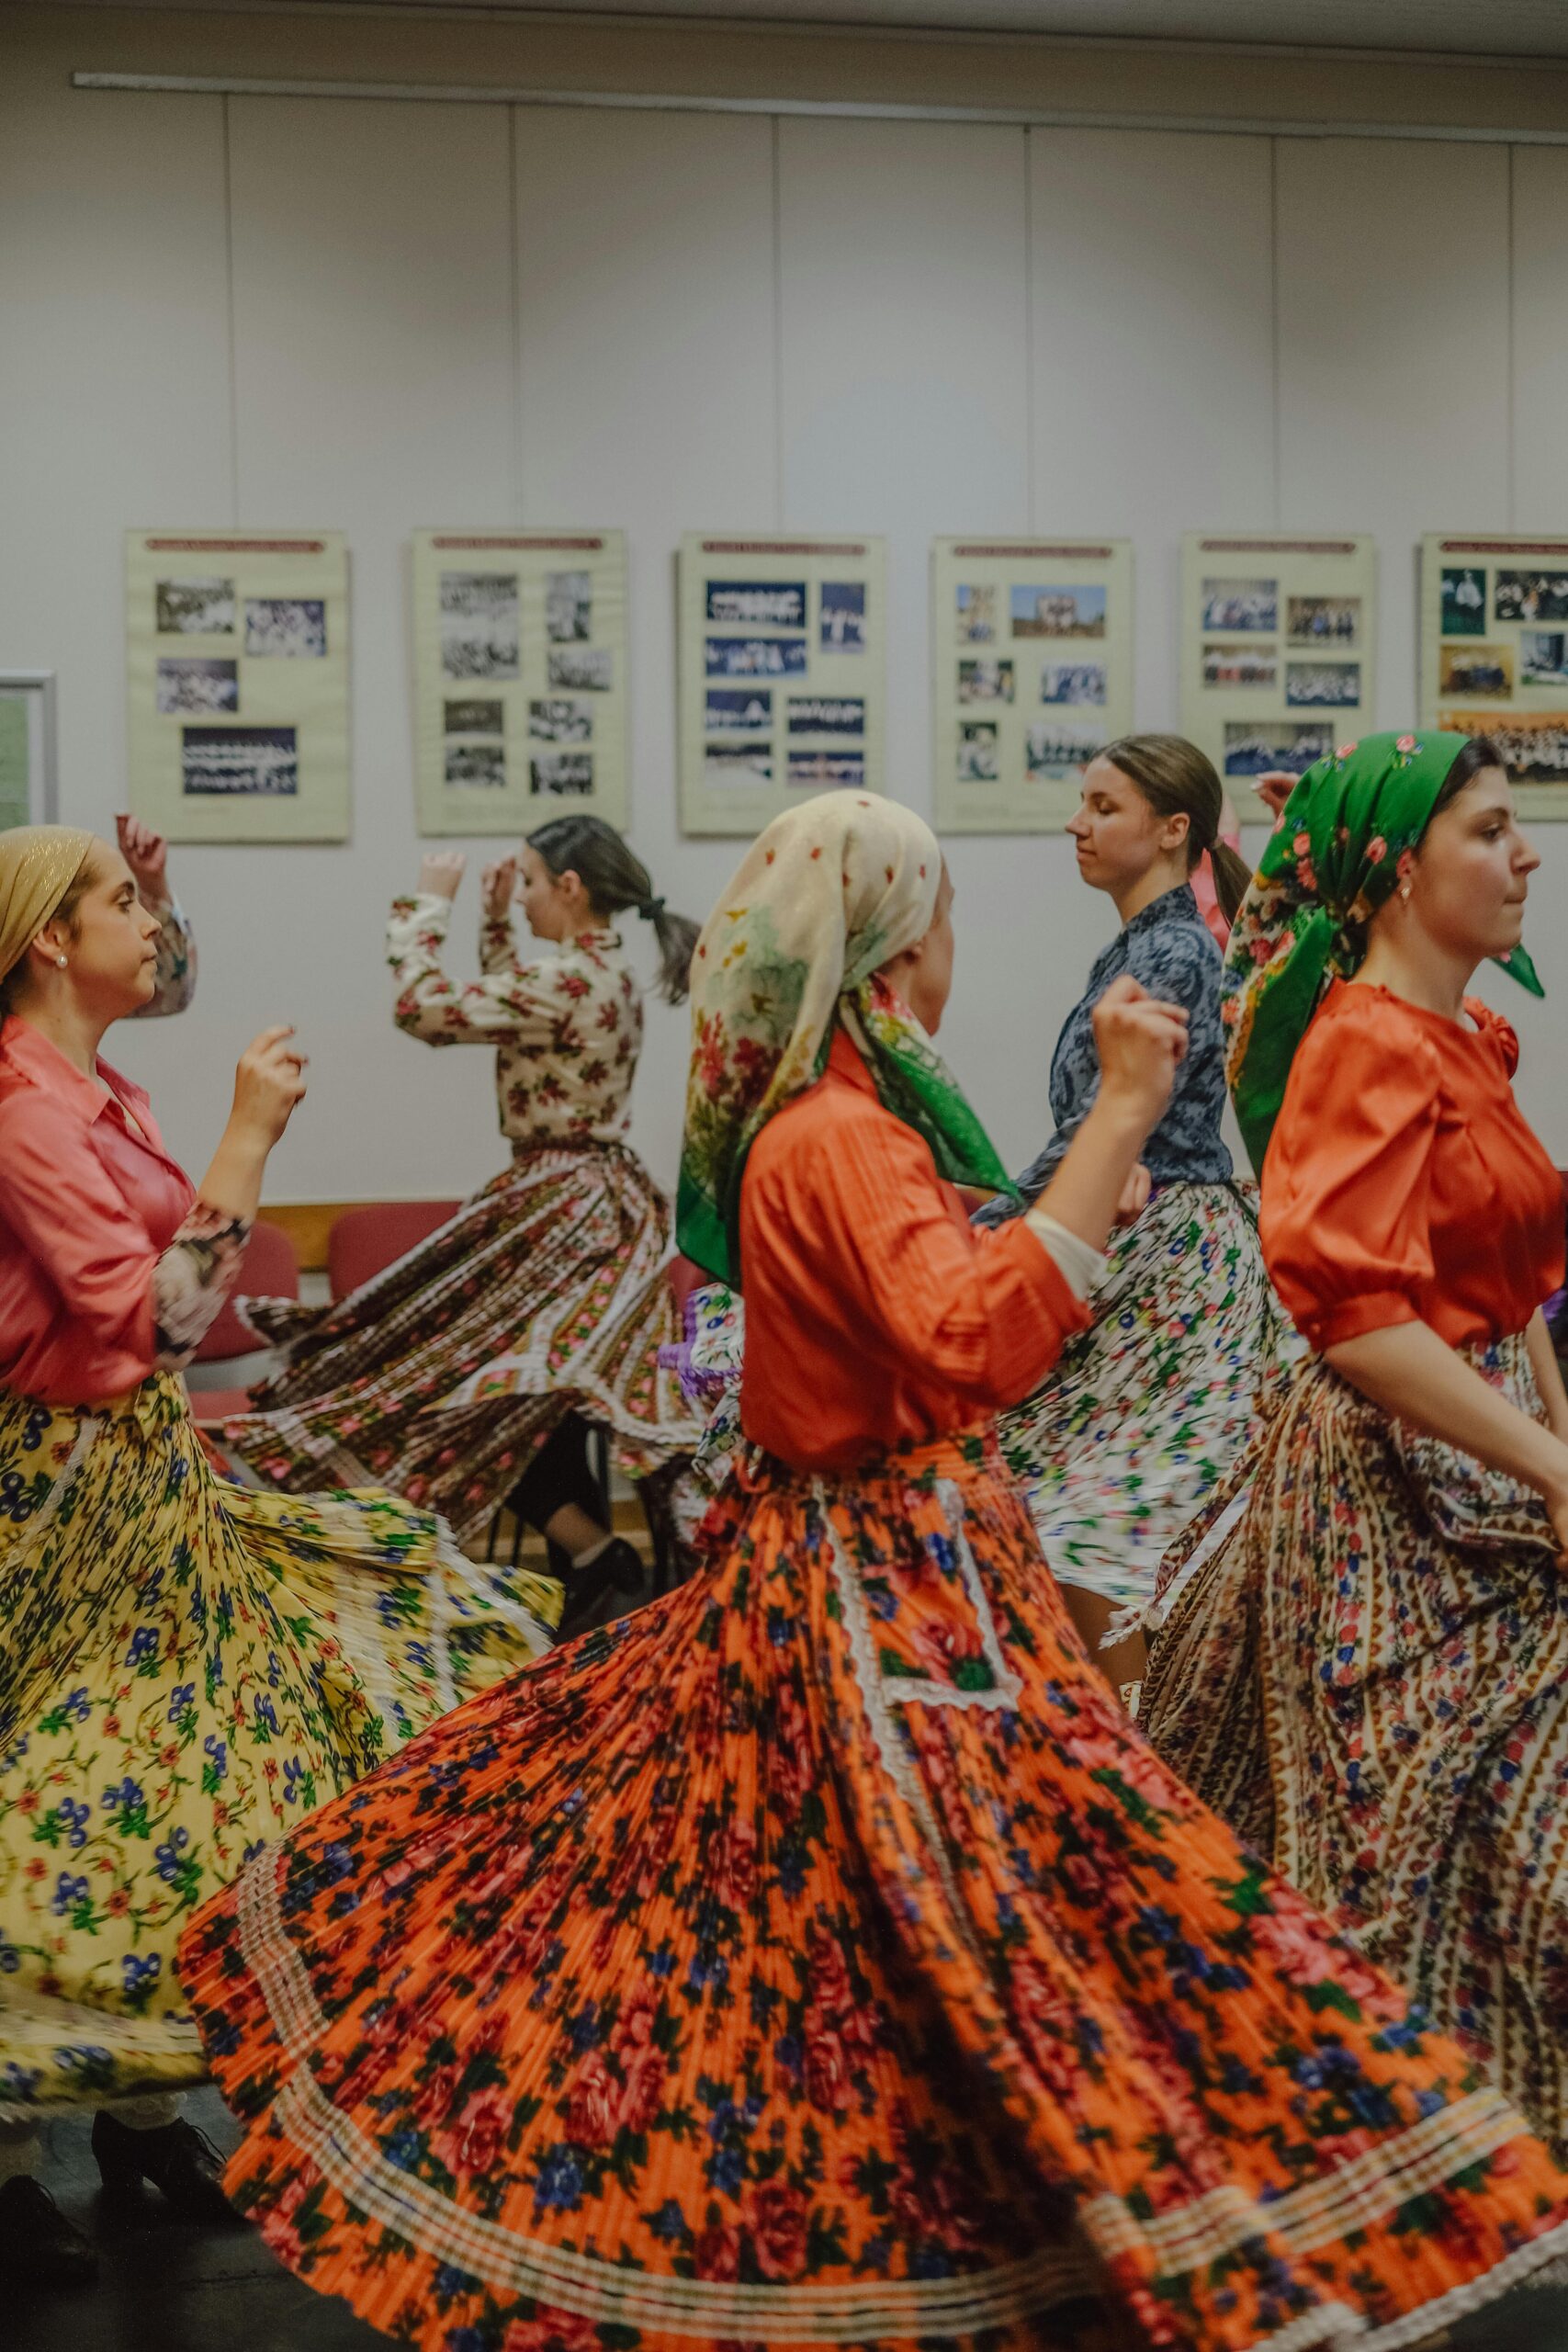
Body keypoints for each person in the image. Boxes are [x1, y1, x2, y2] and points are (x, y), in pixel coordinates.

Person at [179, 793, 1568, 2352]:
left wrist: (1058, 1197)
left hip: (878, 1569)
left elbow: (934, 1295)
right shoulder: (836, 1133)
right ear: (900, 947)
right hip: (886, 1589)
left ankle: (921, 2210)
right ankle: (1108, 2204)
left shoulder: (839, 1120)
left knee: (813, 1916)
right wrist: (1114, 1120)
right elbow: (964, 1342)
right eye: (949, 914)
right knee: (1008, 1900)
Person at [0, 825, 560, 2290]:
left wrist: (160, 896)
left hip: (138, 1482)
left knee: (187, 1768)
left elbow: (167, 981)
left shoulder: (88, 1079)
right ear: (49, 941)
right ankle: (13, 2149)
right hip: (53, 1498)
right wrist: (248, 1138)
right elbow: (159, 1328)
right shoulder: (18, 1108)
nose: (152, 931)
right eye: (119, 906)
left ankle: (133, 2114)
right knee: (61, 1783)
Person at [1141, 730, 1568, 2161]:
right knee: (1429, 1828)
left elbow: (1509, 1304)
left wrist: (1556, 1440)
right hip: (1395, 1489)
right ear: (1393, 871)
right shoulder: (1365, 1045)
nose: (1522, 857)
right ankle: (1428, 2165)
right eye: (1490, 832)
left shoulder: (1461, 1036)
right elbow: (1352, 1322)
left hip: (1485, 1443)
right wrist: (1551, 1468)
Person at [222, 818, 705, 1628]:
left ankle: (591, 1555)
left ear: (569, 889)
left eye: (525, 883)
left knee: (464, 1382)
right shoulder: (598, 973)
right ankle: (591, 1553)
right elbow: (513, 1007)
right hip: (584, 1198)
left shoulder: (572, 982)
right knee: (496, 1389)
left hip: (562, 1208)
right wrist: (489, 923)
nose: (518, 898)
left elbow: (426, 1010)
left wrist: (429, 906)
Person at [975, 735, 1290, 1687]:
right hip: (1141, 1243)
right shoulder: (1144, 944)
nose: (1079, 822)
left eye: (1104, 807)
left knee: (1098, 1515)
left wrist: (995, 1216)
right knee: (1063, 1511)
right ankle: (1122, 1736)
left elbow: (1111, 1128)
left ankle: (1145, 1745)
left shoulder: (1177, 952)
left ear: (1171, 829)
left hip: (1168, 1265)